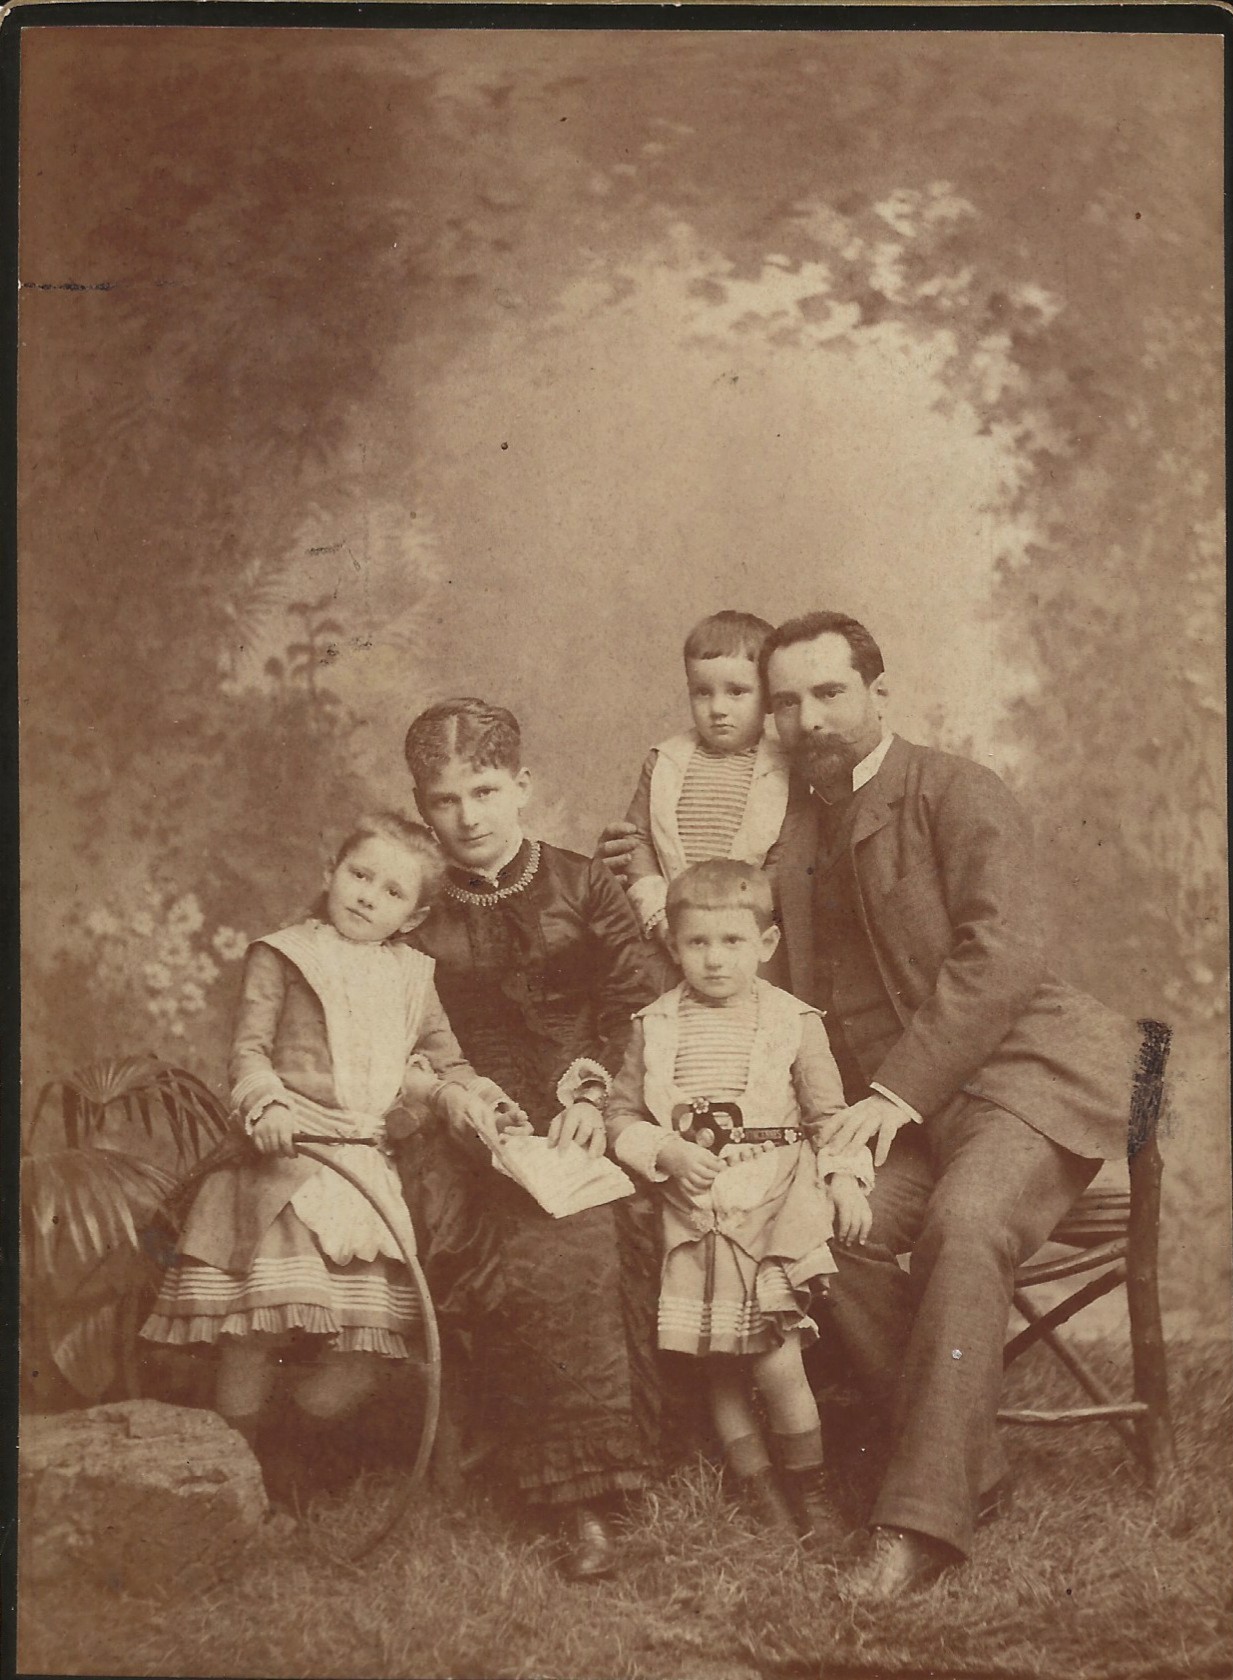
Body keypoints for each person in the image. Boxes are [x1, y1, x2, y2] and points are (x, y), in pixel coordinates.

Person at [757, 610, 1141, 1600]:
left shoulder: (957, 790)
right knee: (807, 1224)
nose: (809, 718)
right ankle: (972, 1462)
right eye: (787, 702)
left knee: (967, 1225)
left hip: (1022, 1081)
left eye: (829, 691)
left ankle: (917, 1527)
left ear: (881, 693)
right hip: (899, 1118)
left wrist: (893, 1092)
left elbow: (1005, 954)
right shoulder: (793, 827)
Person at [141, 811, 497, 1504]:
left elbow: (444, 1063)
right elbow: (248, 1049)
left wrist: (469, 1097)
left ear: (413, 915)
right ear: (328, 873)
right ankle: (233, 1479)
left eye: (391, 891)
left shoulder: (412, 974)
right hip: (287, 1162)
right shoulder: (284, 953)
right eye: (358, 875)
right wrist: (266, 1103)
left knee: (363, 1352)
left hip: (366, 1174)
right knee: (248, 1336)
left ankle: (283, 1448)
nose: (367, 896)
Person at [400, 698, 660, 1581]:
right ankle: (565, 1494)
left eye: (483, 790)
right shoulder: (409, 906)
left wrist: (597, 1091)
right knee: (504, 1231)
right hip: (464, 1134)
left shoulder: (586, 885)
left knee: (580, 1231)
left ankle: (599, 1487)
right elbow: (376, 1031)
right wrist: (449, 1096)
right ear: (420, 806)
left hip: (588, 1119)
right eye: (443, 800)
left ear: (522, 786)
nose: (467, 818)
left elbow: (638, 1009)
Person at [605, 859, 872, 1542]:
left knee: (775, 1357)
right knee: (718, 1364)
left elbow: (828, 1114)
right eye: (697, 944)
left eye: (731, 942)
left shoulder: (792, 1021)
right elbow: (620, 1115)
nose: (714, 960)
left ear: (766, 944)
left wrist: (842, 1178)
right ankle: (763, 1497)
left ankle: (809, 1490)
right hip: (692, 1206)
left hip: (770, 1196)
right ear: (673, 946)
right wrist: (663, 1152)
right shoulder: (655, 1023)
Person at [617, 611, 789, 985]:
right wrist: (662, 917)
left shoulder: (787, 767)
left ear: (770, 697)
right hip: (672, 932)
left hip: (746, 935)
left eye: (737, 692)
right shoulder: (665, 761)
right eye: (702, 692)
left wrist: (741, 919)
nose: (718, 709)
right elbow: (639, 842)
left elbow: (785, 855)